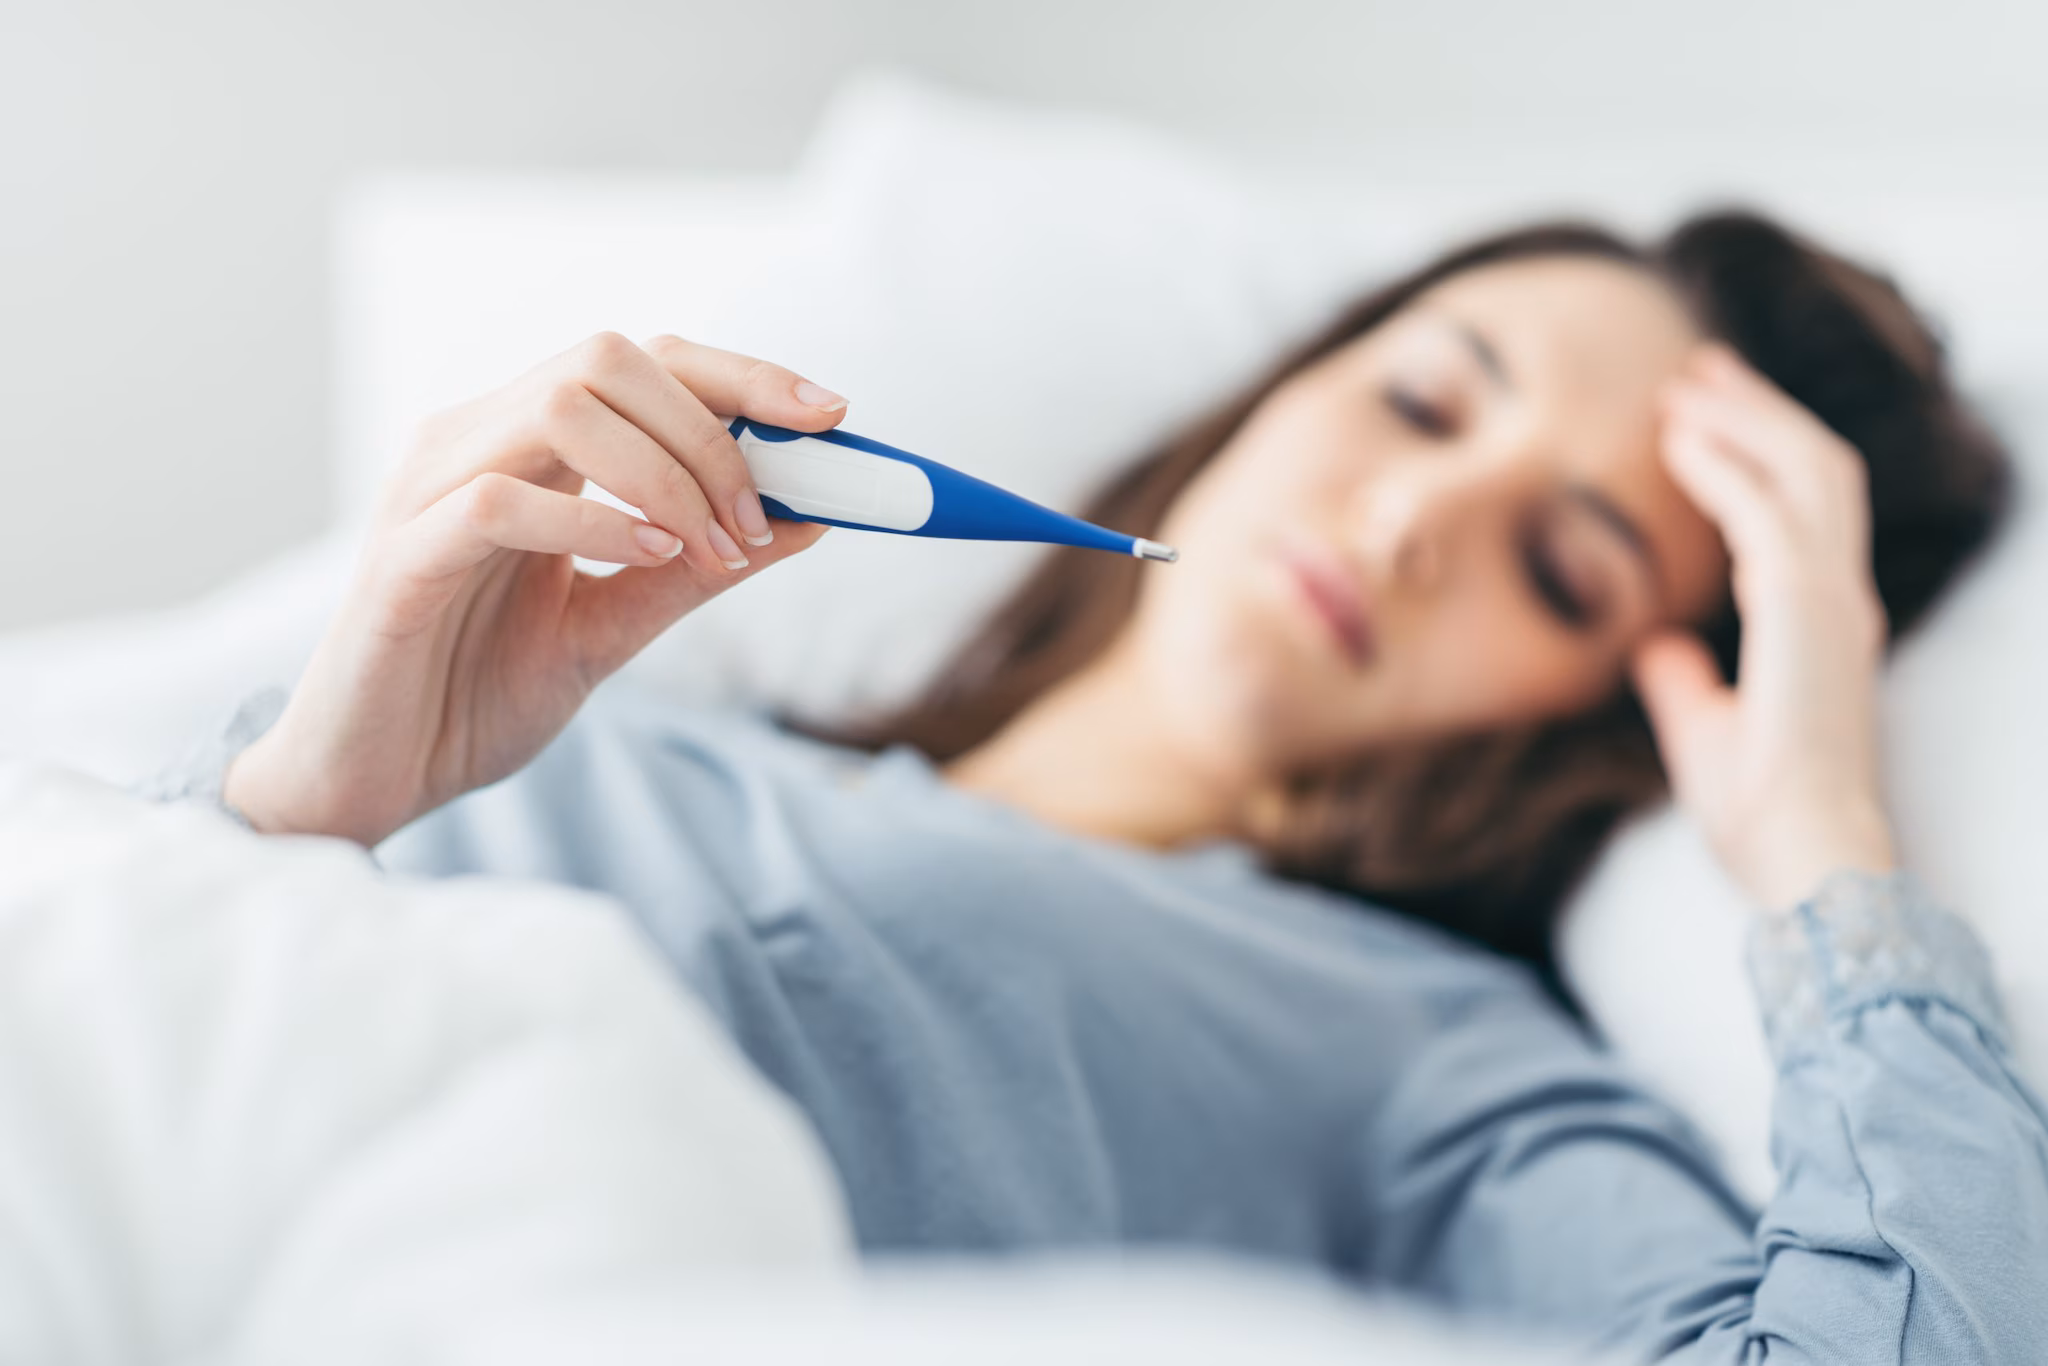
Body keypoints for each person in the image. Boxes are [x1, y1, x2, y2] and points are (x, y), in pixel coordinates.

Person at [182, 212, 2047, 1361]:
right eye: (1420, 402)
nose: (1408, 524)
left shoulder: (1433, 1055)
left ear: (1615, 704)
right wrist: (302, 805)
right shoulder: (598, 703)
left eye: (1560, 567)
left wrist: (1826, 843)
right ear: (1284, 385)